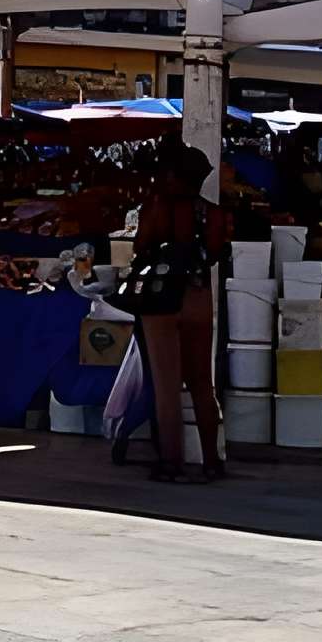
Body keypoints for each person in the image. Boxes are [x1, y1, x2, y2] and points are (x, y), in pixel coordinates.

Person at [134, 141, 231, 483]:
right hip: (199, 295)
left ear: (172, 175)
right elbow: (219, 253)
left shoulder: (156, 207)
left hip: (162, 301)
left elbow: (140, 246)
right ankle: (212, 460)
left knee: (167, 386)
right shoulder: (213, 213)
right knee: (203, 383)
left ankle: (171, 462)